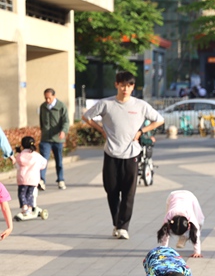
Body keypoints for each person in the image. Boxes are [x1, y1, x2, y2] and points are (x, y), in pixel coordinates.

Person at [82, 71, 164, 240]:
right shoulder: (106, 104)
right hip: (111, 153)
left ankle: (123, 227)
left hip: (131, 154)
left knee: (128, 192)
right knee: (111, 190)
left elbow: (159, 120)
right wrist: (101, 130)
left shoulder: (140, 105)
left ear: (133, 87)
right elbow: (86, 116)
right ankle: (117, 223)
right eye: (122, 85)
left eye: (129, 85)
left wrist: (142, 131)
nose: (125, 88)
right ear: (116, 85)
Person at [157, 190, 205, 258]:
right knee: (165, 227)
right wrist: (164, 251)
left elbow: (196, 233)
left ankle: (184, 236)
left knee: (200, 220)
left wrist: (197, 252)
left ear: (189, 225)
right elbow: (165, 234)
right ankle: (184, 236)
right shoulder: (169, 215)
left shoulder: (190, 216)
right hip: (172, 196)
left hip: (189, 196)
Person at [38, 88, 69, 190]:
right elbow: (41, 122)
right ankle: (41, 180)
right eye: (45, 98)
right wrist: (43, 131)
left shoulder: (61, 106)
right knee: (43, 161)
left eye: (49, 98)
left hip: (57, 139)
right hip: (45, 139)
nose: (47, 100)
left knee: (59, 161)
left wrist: (63, 131)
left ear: (54, 96)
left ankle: (60, 180)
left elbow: (66, 121)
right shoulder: (43, 107)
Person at [13, 136, 47, 220]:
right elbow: (44, 163)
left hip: (23, 179)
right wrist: (37, 167)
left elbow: (16, 165)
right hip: (34, 179)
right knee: (30, 194)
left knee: (22, 194)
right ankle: (30, 208)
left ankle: (25, 208)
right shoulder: (36, 155)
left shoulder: (20, 155)